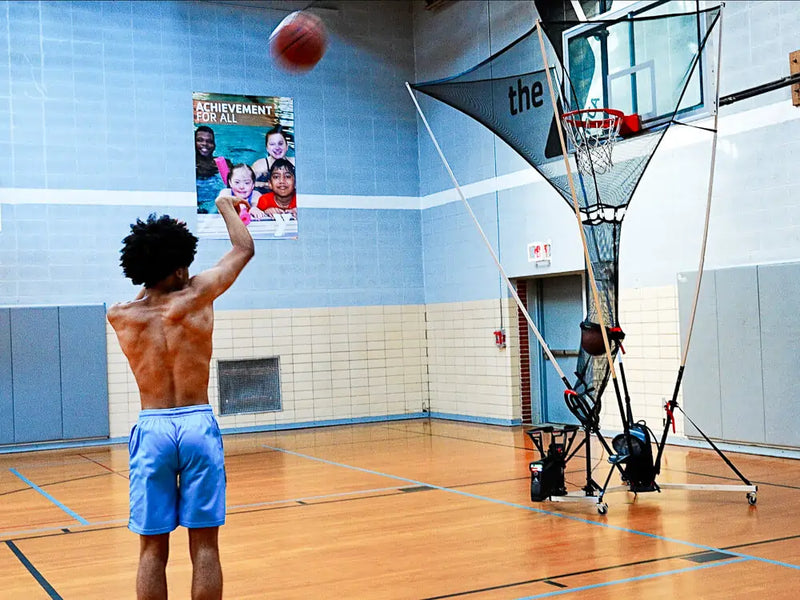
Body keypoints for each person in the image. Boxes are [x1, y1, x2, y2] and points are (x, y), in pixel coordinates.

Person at [106, 196, 254, 600]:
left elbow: (150, 285)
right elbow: (244, 248)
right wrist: (224, 205)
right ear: (178, 267)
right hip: (196, 425)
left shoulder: (120, 315)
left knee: (152, 549)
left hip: (153, 429)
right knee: (205, 545)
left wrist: (157, 254)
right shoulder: (198, 296)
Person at [195, 126, 232, 213]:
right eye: (200, 140)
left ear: (214, 145)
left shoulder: (224, 164)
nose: (205, 144)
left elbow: (233, 186)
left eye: (209, 141)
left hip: (215, 205)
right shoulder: (188, 164)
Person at [251, 124, 295, 192]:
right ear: (267, 148)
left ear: (287, 146)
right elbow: (247, 183)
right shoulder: (260, 166)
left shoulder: (295, 163)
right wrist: (267, 184)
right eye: (272, 144)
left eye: (280, 143)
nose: (277, 147)